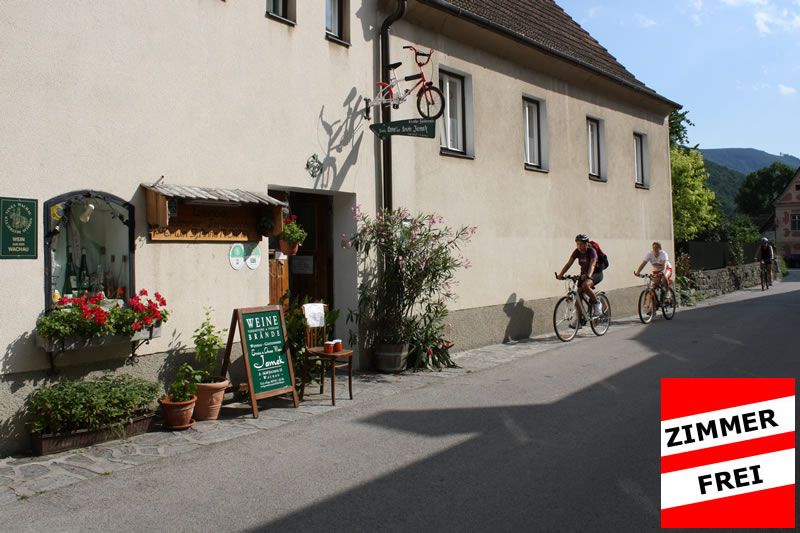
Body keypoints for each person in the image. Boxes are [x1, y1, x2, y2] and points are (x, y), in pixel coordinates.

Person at [555, 234, 603, 318]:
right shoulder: (577, 251)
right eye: (577, 244)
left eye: (581, 244)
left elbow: (592, 265)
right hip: (584, 275)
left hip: (596, 274)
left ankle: (597, 303)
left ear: (587, 244)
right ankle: (580, 318)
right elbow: (568, 264)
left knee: (585, 285)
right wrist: (560, 275)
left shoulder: (592, 251)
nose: (579, 246)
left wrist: (588, 275)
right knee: (577, 294)